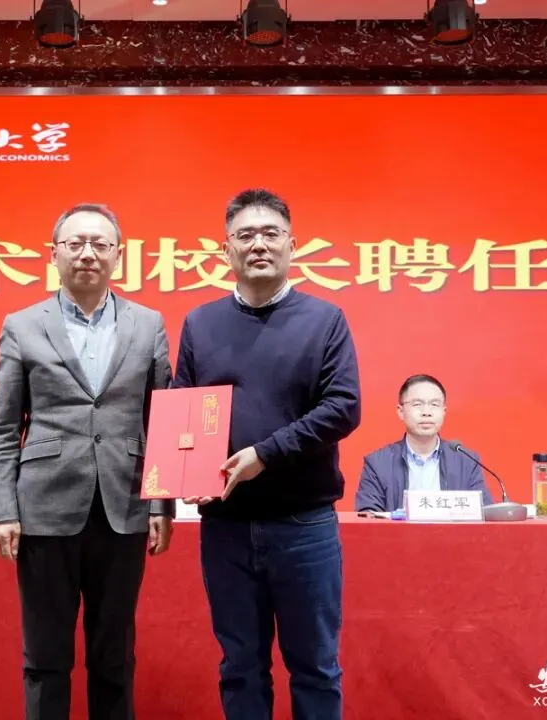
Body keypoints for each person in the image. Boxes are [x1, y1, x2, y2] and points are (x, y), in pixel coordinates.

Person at [174, 189, 361, 720]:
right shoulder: (200, 323)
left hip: (304, 526)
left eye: (271, 233)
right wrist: (182, 474)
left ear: (292, 245)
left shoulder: (325, 319)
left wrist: (265, 454)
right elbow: (183, 407)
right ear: (226, 250)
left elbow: (343, 408)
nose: (258, 244)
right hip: (226, 526)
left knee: (316, 668)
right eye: (245, 235)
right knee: (240, 667)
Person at [0, 203, 174, 720]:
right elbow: (4, 428)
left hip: (125, 506)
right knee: (46, 657)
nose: (88, 253)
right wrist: (4, 511)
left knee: (114, 656)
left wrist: (162, 504)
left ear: (118, 254)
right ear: (53, 254)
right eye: (75, 244)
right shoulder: (22, 325)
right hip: (44, 511)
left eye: (99, 244)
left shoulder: (148, 324)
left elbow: (162, 421)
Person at [354, 374, 492, 512]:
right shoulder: (378, 463)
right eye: (417, 404)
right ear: (401, 411)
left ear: (443, 411)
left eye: (434, 404)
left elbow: (484, 513)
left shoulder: (467, 462)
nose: (426, 412)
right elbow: (368, 515)